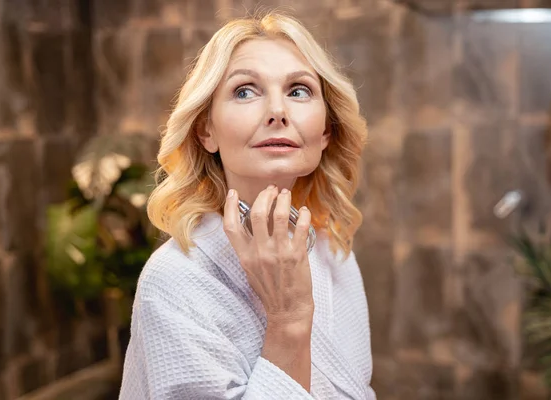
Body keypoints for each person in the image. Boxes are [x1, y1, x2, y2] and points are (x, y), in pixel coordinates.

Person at [119, 11, 376, 400]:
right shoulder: (173, 282)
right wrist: (288, 319)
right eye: (245, 91)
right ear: (206, 130)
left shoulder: (333, 252)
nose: (278, 111)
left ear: (325, 131)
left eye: (299, 90)